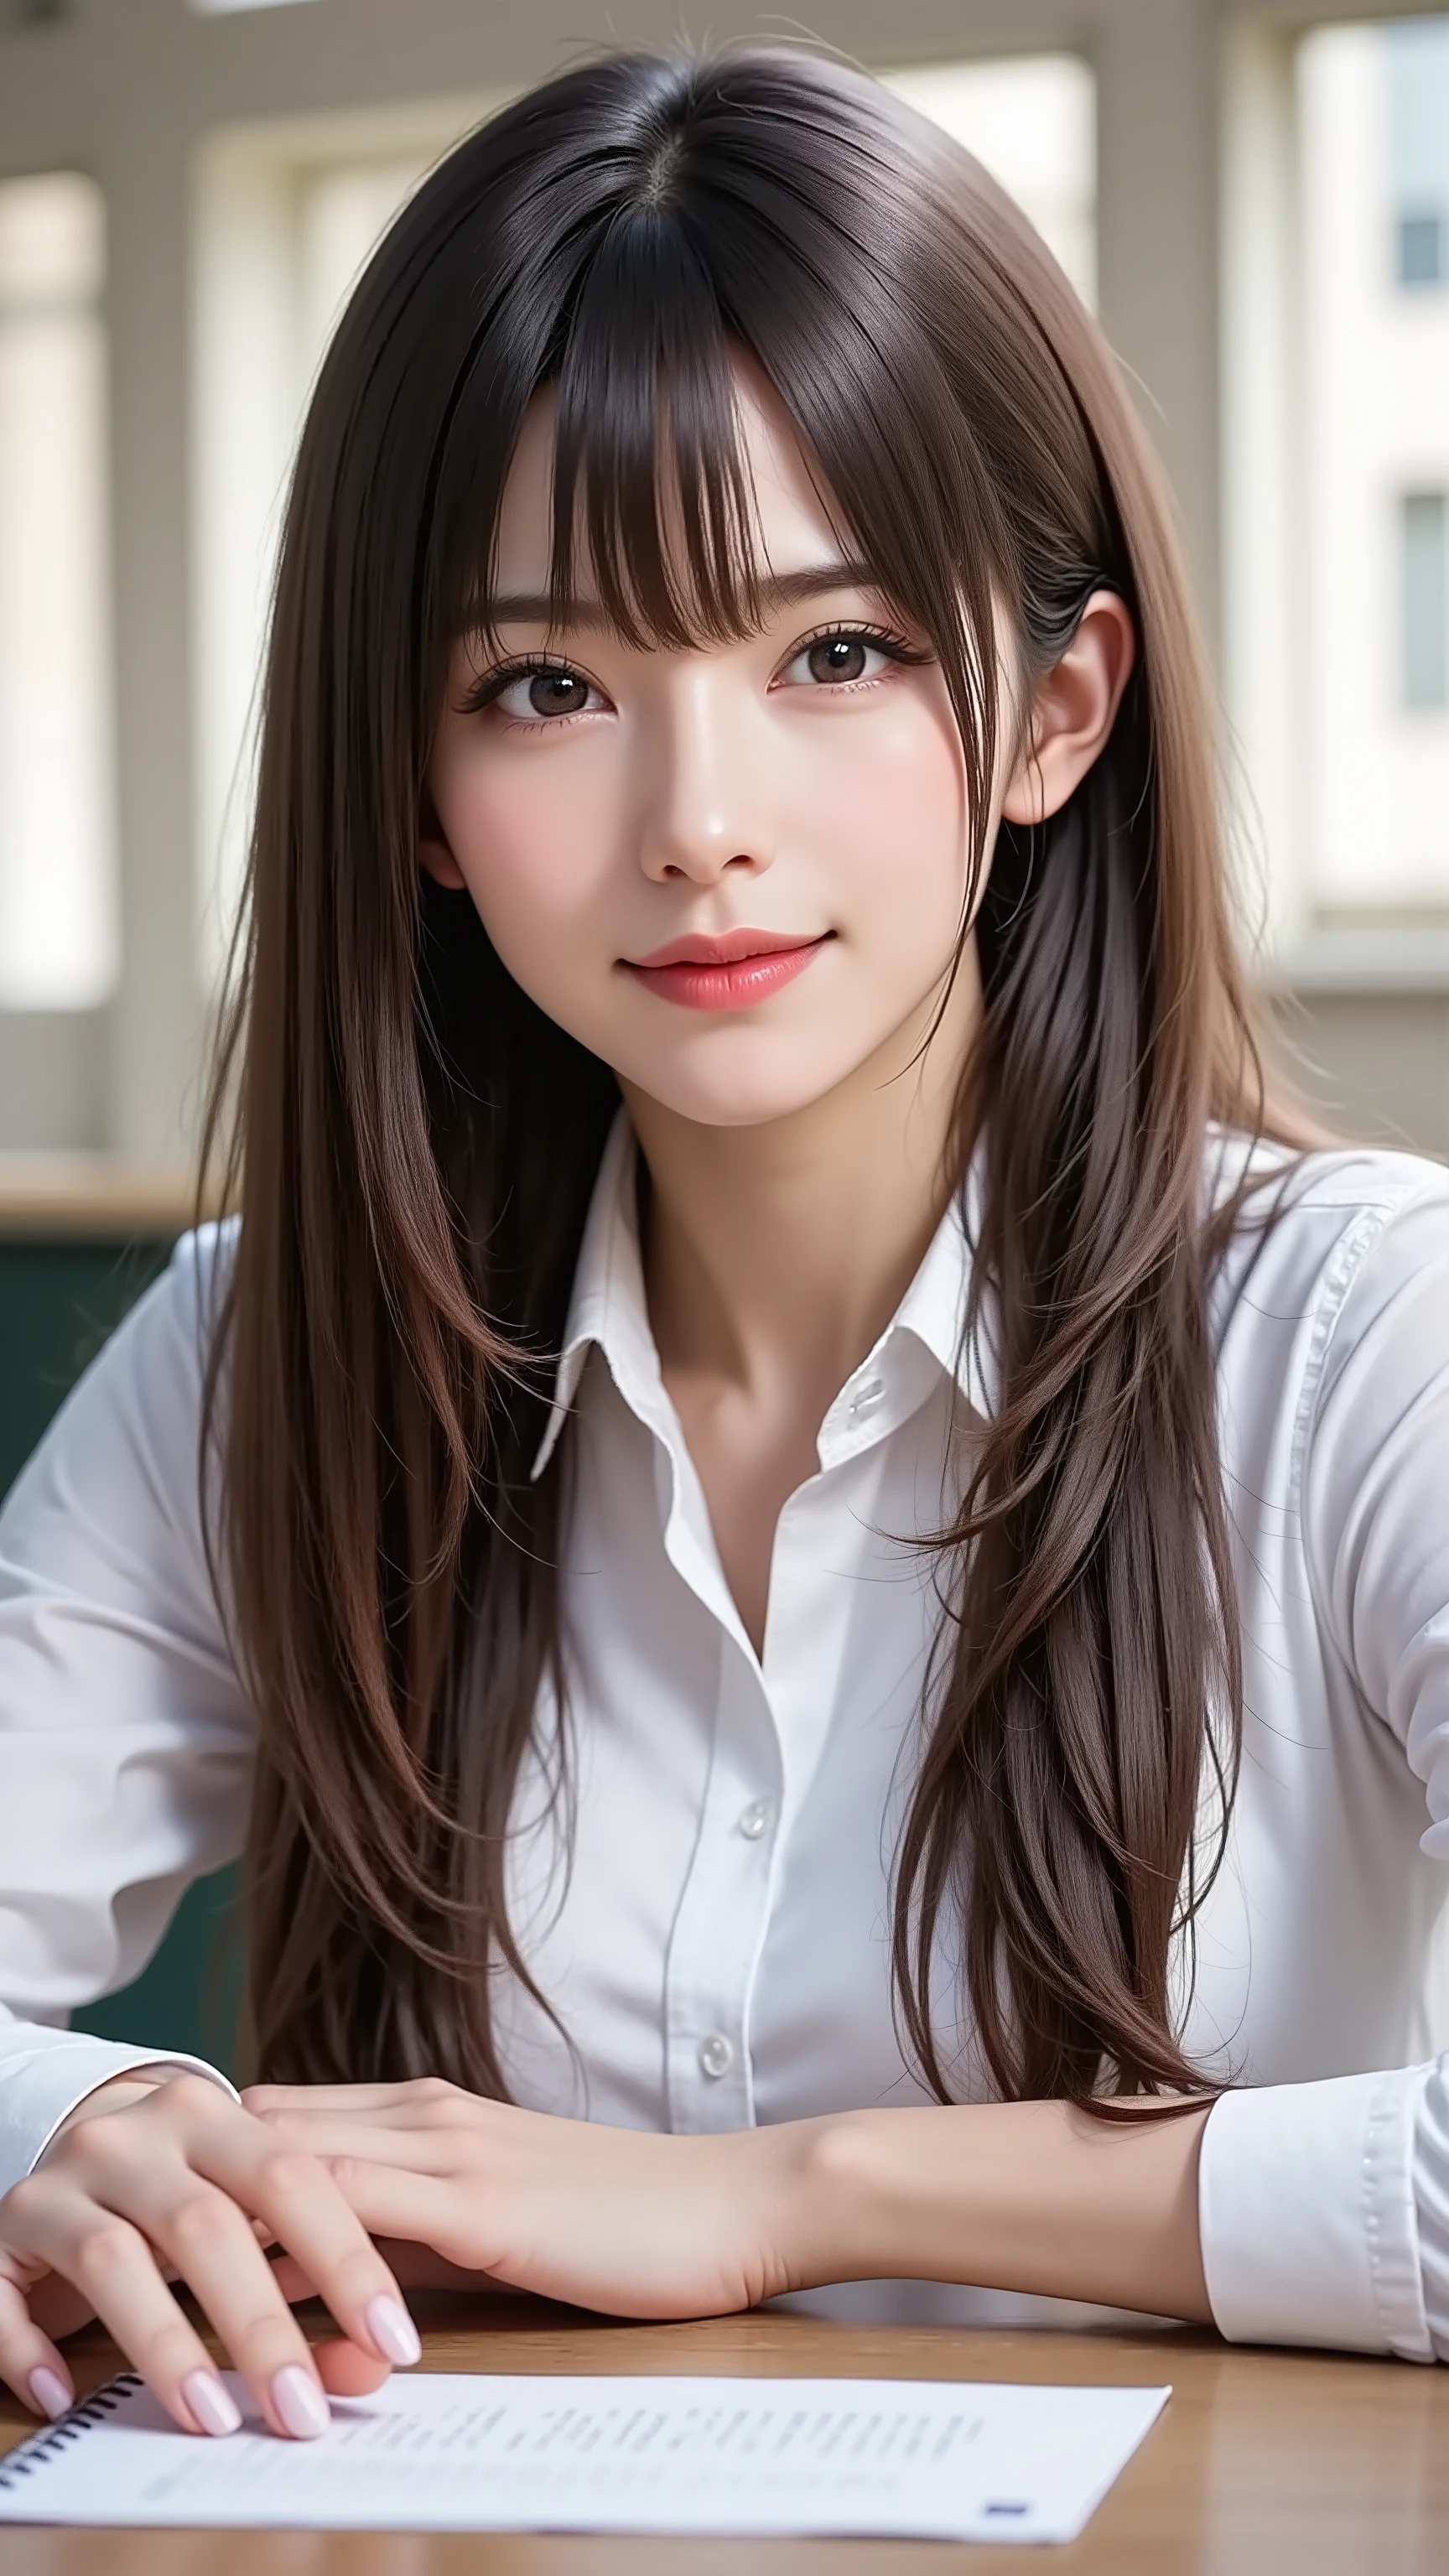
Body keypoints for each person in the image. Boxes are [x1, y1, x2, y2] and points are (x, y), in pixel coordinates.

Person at [1, 45, 1446, 2448]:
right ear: (419, 797)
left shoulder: (1359, 1337)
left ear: (1057, 707)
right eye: (548, 685)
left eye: (835, 653)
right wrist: (60, 2133)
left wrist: (799, 2194)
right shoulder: (276, 1353)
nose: (699, 826)